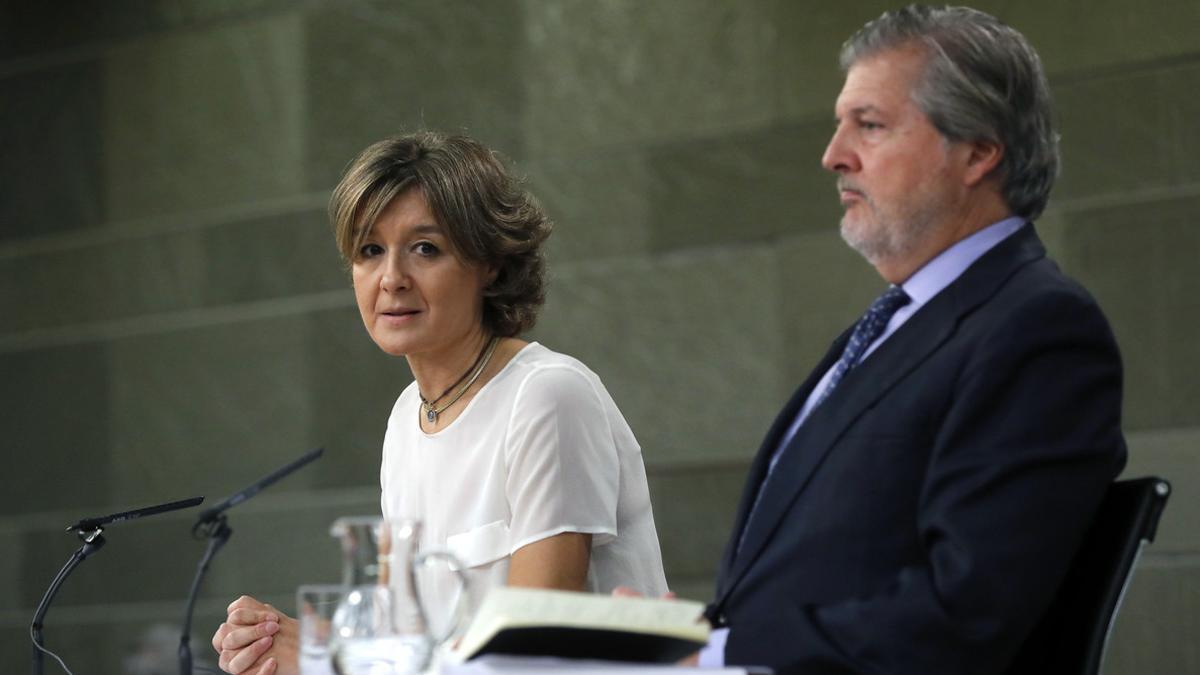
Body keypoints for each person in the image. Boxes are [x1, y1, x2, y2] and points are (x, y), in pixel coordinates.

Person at [699, 5, 1127, 674]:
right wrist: (663, 636)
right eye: (841, 124)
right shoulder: (890, 324)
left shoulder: (1039, 330)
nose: (833, 154)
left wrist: (721, 652)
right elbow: (809, 568)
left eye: (869, 125)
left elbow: (967, 610)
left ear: (979, 151)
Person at [211, 131, 668, 675]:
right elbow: (405, 644)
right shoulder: (408, 418)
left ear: (490, 263)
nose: (392, 279)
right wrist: (283, 642)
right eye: (369, 251)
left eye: (425, 248)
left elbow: (534, 650)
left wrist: (324, 657)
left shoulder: (547, 394)